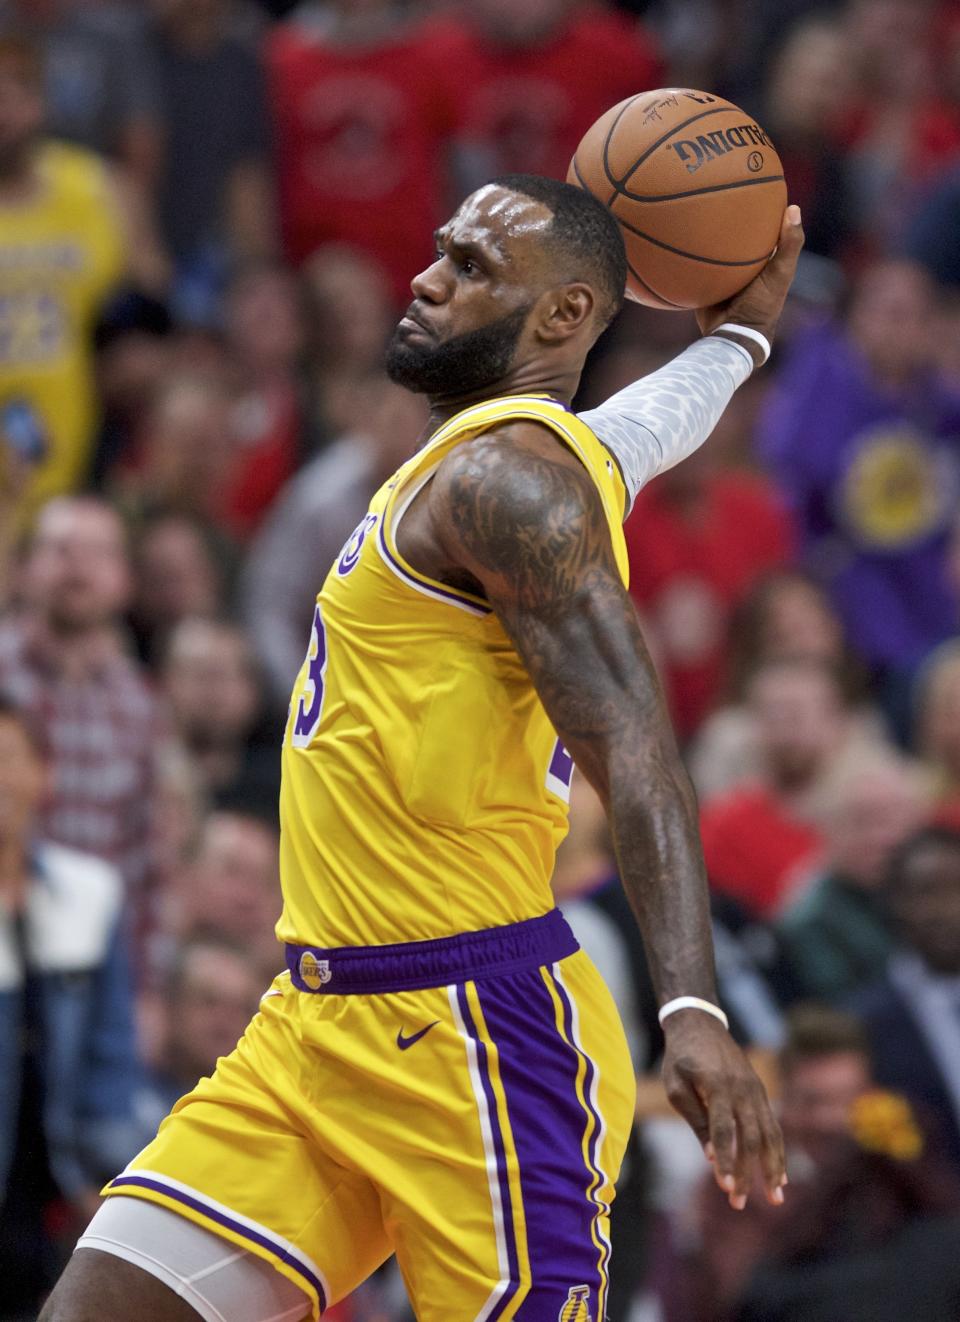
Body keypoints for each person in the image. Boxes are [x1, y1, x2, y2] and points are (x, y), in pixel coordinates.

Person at [43, 175, 803, 1320]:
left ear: (561, 319)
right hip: (314, 1028)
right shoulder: (529, 460)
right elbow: (646, 425)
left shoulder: (511, 484)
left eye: (471, 267)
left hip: (477, 1042)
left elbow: (638, 747)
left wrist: (691, 1009)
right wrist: (739, 338)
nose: (427, 276)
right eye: (443, 248)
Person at [0, 696, 142, 1315]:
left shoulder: (90, 895)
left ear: (45, 773)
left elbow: (109, 1061)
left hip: (58, 1193)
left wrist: (113, 1191)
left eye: (8, 757)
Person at [0, 497, 169, 911]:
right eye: (60, 550)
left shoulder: (140, 704)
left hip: (94, 946)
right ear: (23, 570)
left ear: (126, 579)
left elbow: (149, 857)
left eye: (97, 553)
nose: (77, 568)